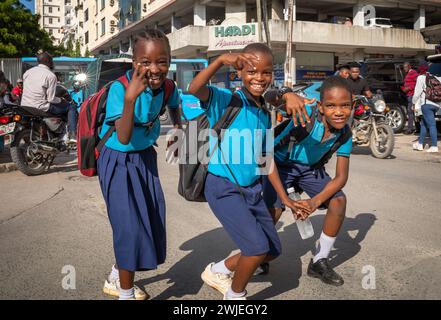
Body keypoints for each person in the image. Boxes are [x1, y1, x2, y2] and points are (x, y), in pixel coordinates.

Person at [187, 43, 305, 300]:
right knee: (255, 249)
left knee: (271, 251)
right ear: (239, 72)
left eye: (265, 72)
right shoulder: (227, 99)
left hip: (251, 190)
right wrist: (219, 61)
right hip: (223, 186)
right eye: (251, 71)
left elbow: (266, 159)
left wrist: (285, 200)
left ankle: (219, 269)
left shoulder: (264, 111)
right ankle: (235, 296)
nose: (259, 78)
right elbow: (194, 89)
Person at [98, 29, 182, 300]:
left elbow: (174, 104)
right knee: (129, 227)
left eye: (162, 61)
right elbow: (122, 137)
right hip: (117, 159)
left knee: (150, 219)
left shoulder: (168, 87)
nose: (154, 69)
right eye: (145, 62)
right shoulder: (119, 89)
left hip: (145, 157)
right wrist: (130, 99)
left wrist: (178, 128)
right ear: (134, 62)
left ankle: (117, 272)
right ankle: (124, 292)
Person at [262, 76, 353, 286]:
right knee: (273, 212)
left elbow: (341, 177)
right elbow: (269, 96)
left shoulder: (345, 133)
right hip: (279, 165)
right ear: (320, 107)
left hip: (310, 170)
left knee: (338, 201)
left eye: (345, 105)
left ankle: (319, 261)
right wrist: (287, 94)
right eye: (331, 106)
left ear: (352, 105)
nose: (338, 112)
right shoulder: (306, 113)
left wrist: (314, 202)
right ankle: (259, 253)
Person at [20, 52, 78, 143]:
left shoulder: (27, 72)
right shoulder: (50, 75)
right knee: (71, 107)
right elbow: (51, 99)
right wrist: (61, 100)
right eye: (51, 60)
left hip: (25, 105)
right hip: (40, 106)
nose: (52, 62)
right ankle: (73, 135)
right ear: (48, 61)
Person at [412, 61, 441, 153]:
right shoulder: (436, 77)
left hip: (426, 104)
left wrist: (413, 103)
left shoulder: (421, 78)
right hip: (436, 104)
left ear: (420, 68)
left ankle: (434, 146)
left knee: (432, 125)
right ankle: (420, 144)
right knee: (424, 124)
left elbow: (417, 93)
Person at [402, 62, 419, 135]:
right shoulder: (408, 73)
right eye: (404, 67)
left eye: (405, 67)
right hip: (409, 94)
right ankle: (417, 128)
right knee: (412, 112)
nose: (404, 69)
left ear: (409, 66)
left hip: (412, 94)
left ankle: (410, 129)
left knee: (410, 112)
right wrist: (403, 88)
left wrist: (409, 88)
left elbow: (417, 83)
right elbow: (408, 82)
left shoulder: (414, 72)